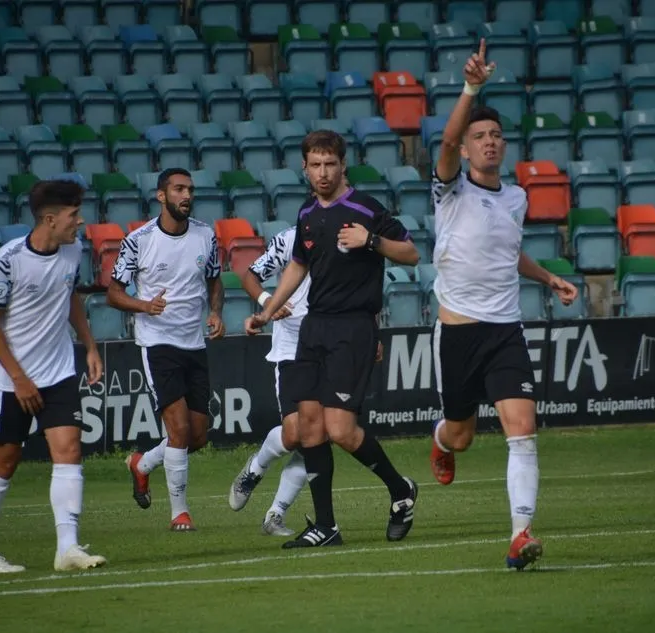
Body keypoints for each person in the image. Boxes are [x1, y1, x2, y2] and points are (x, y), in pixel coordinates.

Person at [426, 40, 578, 570]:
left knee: (523, 429)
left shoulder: (516, 198)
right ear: (466, 151)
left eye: (496, 135)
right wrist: (471, 89)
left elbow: (510, 254)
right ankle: (440, 438)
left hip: (505, 330)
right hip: (459, 332)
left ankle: (520, 534)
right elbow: (444, 140)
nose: (489, 142)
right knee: (463, 437)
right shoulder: (449, 191)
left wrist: (549, 276)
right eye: (479, 137)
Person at [245, 129, 421, 549]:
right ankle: (326, 526)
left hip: (353, 328)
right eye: (315, 166)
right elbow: (297, 267)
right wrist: (266, 312)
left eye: (330, 164)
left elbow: (411, 253)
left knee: (340, 430)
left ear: (343, 165)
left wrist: (372, 241)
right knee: (309, 428)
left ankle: (401, 490)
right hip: (314, 327)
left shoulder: (366, 208)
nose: (323, 173)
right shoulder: (307, 213)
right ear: (304, 168)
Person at [0, 179, 107, 574]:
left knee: (69, 449)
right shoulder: (8, 260)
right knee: (4, 461)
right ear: (49, 218)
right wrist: (19, 379)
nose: (79, 222)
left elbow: (70, 295)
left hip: (58, 370)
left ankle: (68, 548)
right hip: (13, 378)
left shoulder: (72, 250)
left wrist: (90, 345)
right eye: (73, 215)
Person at [108, 167, 225, 531]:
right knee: (177, 429)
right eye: (178, 189)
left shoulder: (206, 235)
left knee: (197, 435)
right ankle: (179, 513)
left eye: (189, 189)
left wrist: (216, 312)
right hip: (158, 343)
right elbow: (113, 293)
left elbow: (215, 279)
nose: (186, 195)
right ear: (161, 196)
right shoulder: (139, 240)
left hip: (194, 343)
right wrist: (144, 306)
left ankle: (141, 464)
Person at [226, 225, 311, 536]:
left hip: (334, 348)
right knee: (295, 433)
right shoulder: (290, 239)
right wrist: (268, 301)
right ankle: (255, 468)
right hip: (291, 348)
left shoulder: (350, 239)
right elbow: (248, 274)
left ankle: (275, 514)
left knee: (317, 437)